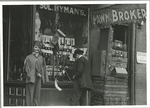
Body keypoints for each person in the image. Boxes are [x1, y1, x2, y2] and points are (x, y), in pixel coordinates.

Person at [24, 41, 48, 106]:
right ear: (33, 48)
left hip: (38, 79)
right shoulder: (28, 57)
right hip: (30, 79)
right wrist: (31, 74)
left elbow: (43, 68)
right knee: (30, 97)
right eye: (35, 47)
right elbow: (26, 69)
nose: (37, 49)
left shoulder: (41, 58)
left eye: (38, 47)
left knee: (37, 96)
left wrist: (41, 74)